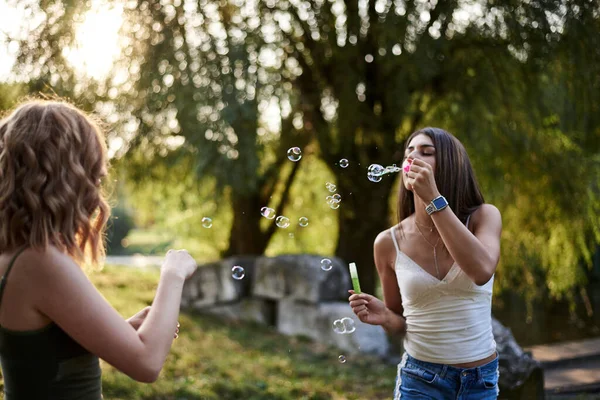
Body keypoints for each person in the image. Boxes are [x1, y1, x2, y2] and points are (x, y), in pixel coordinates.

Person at [0, 100, 198, 399]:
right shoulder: (42, 264)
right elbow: (147, 363)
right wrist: (173, 273)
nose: (97, 190)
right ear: (65, 177)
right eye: (93, 175)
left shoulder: (13, 257)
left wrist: (122, 331)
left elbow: (39, 356)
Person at [349, 127, 502, 399]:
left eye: (426, 152)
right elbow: (400, 323)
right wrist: (385, 316)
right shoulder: (387, 242)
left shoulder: (483, 217)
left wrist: (433, 199)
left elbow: (481, 271)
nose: (413, 157)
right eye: (409, 151)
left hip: (481, 383)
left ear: (451, 165)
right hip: (419, 381)